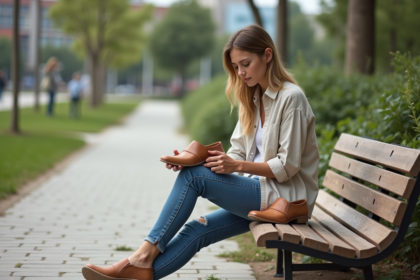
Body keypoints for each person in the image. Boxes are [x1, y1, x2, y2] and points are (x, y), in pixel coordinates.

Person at [82, 25, 320, 280]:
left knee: (193, 178)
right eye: (236, 67)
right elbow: (238, 152)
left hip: (286, 199)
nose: (240, 73)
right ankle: (131, 275)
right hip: (256, 193)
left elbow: (287, 167)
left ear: (268, 56)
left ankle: (141, 256)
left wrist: (233, 168)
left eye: (245, 64)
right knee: (197, 228)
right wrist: (209, 162)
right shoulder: (253, 97)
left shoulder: (291, 99)